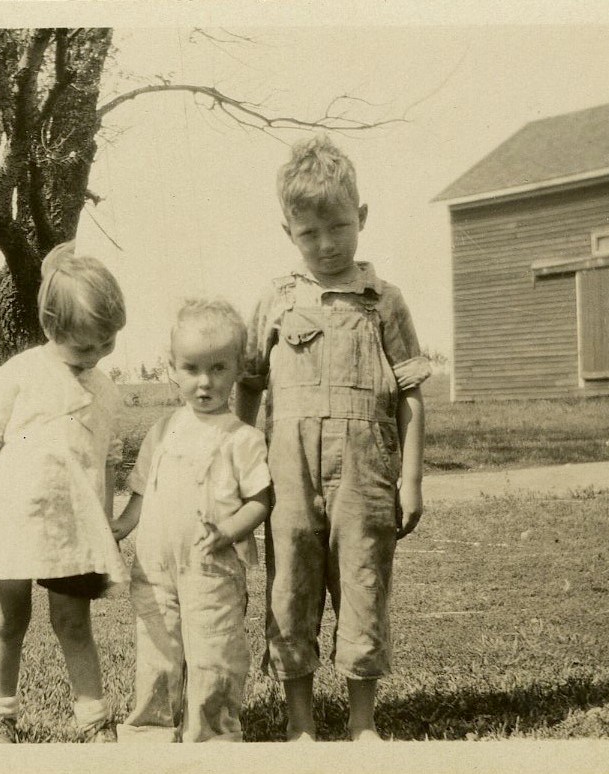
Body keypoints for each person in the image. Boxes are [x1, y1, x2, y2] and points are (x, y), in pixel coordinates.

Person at [235, 135, 431, 742]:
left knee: (363, 588)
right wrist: (239, 470)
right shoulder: (276, 299)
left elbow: (412, 397)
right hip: (287, 476)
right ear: (288, 231)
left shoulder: (385, 302)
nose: (325, 245)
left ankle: (361, 722)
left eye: (338, 228)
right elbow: (247, 386)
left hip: (368, 475)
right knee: (289, 591)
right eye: (308, 234)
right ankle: (299, 724)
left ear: (362, 217)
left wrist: (413, 479)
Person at [0, 242, 128, 744]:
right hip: (15, 521)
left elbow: (108, 461)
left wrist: (107, 520)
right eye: (85, 347)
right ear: (52, 328)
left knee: (73, 623)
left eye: (107, 344)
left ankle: (95, 718)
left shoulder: (106, 390)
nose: (96, 356)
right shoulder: (19, 374)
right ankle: (0, 717)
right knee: (9, 621)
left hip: (73, 528)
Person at [111, 298, 271, 743]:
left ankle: (213, 736)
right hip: (155, 567)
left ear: (238, 367)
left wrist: (231, 531)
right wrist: (122, 526)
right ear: (173, 368)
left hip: (212, 566)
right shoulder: (162, 429)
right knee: (157, 650)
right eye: (192, 368)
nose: (205, 382)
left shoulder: (244, 438)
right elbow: (143, 489)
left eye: (219, 368)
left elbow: (261, 501)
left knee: (214, 653)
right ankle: (149, 732)